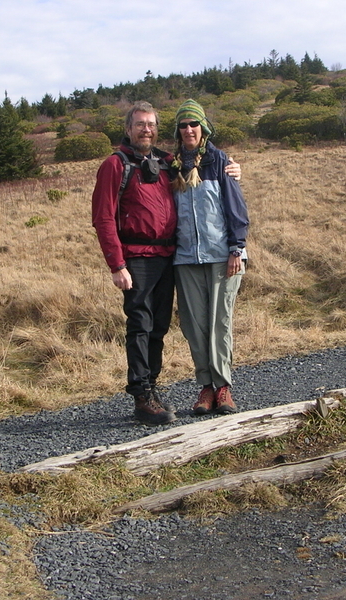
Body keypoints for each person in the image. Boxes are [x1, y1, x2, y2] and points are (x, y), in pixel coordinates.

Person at [92, 101, 240, 426]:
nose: (146, 129)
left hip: (168, 257)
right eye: (140, 124)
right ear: (128, 129)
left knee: (158, 327)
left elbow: (200, 160)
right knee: (140, 325)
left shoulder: (165, 161)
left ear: (158, 129)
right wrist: (117, 265)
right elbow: (103, 218)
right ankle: (142, 394)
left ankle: (152, 389)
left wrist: (233, 168)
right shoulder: (115, 165)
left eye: (151, 124)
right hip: (136, 259)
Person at [170, 99, 249, 415]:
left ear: (203, 127)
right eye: (183, 125)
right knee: (195, 326)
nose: (189, 130)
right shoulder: (171, 166)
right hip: (185, 259)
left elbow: (236, 209)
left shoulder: (220, 162)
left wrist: (236, 249)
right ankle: (206, 387)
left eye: (194, 124)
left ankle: (223, 387)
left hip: (221, 257)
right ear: (178, 131)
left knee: (220, 323)